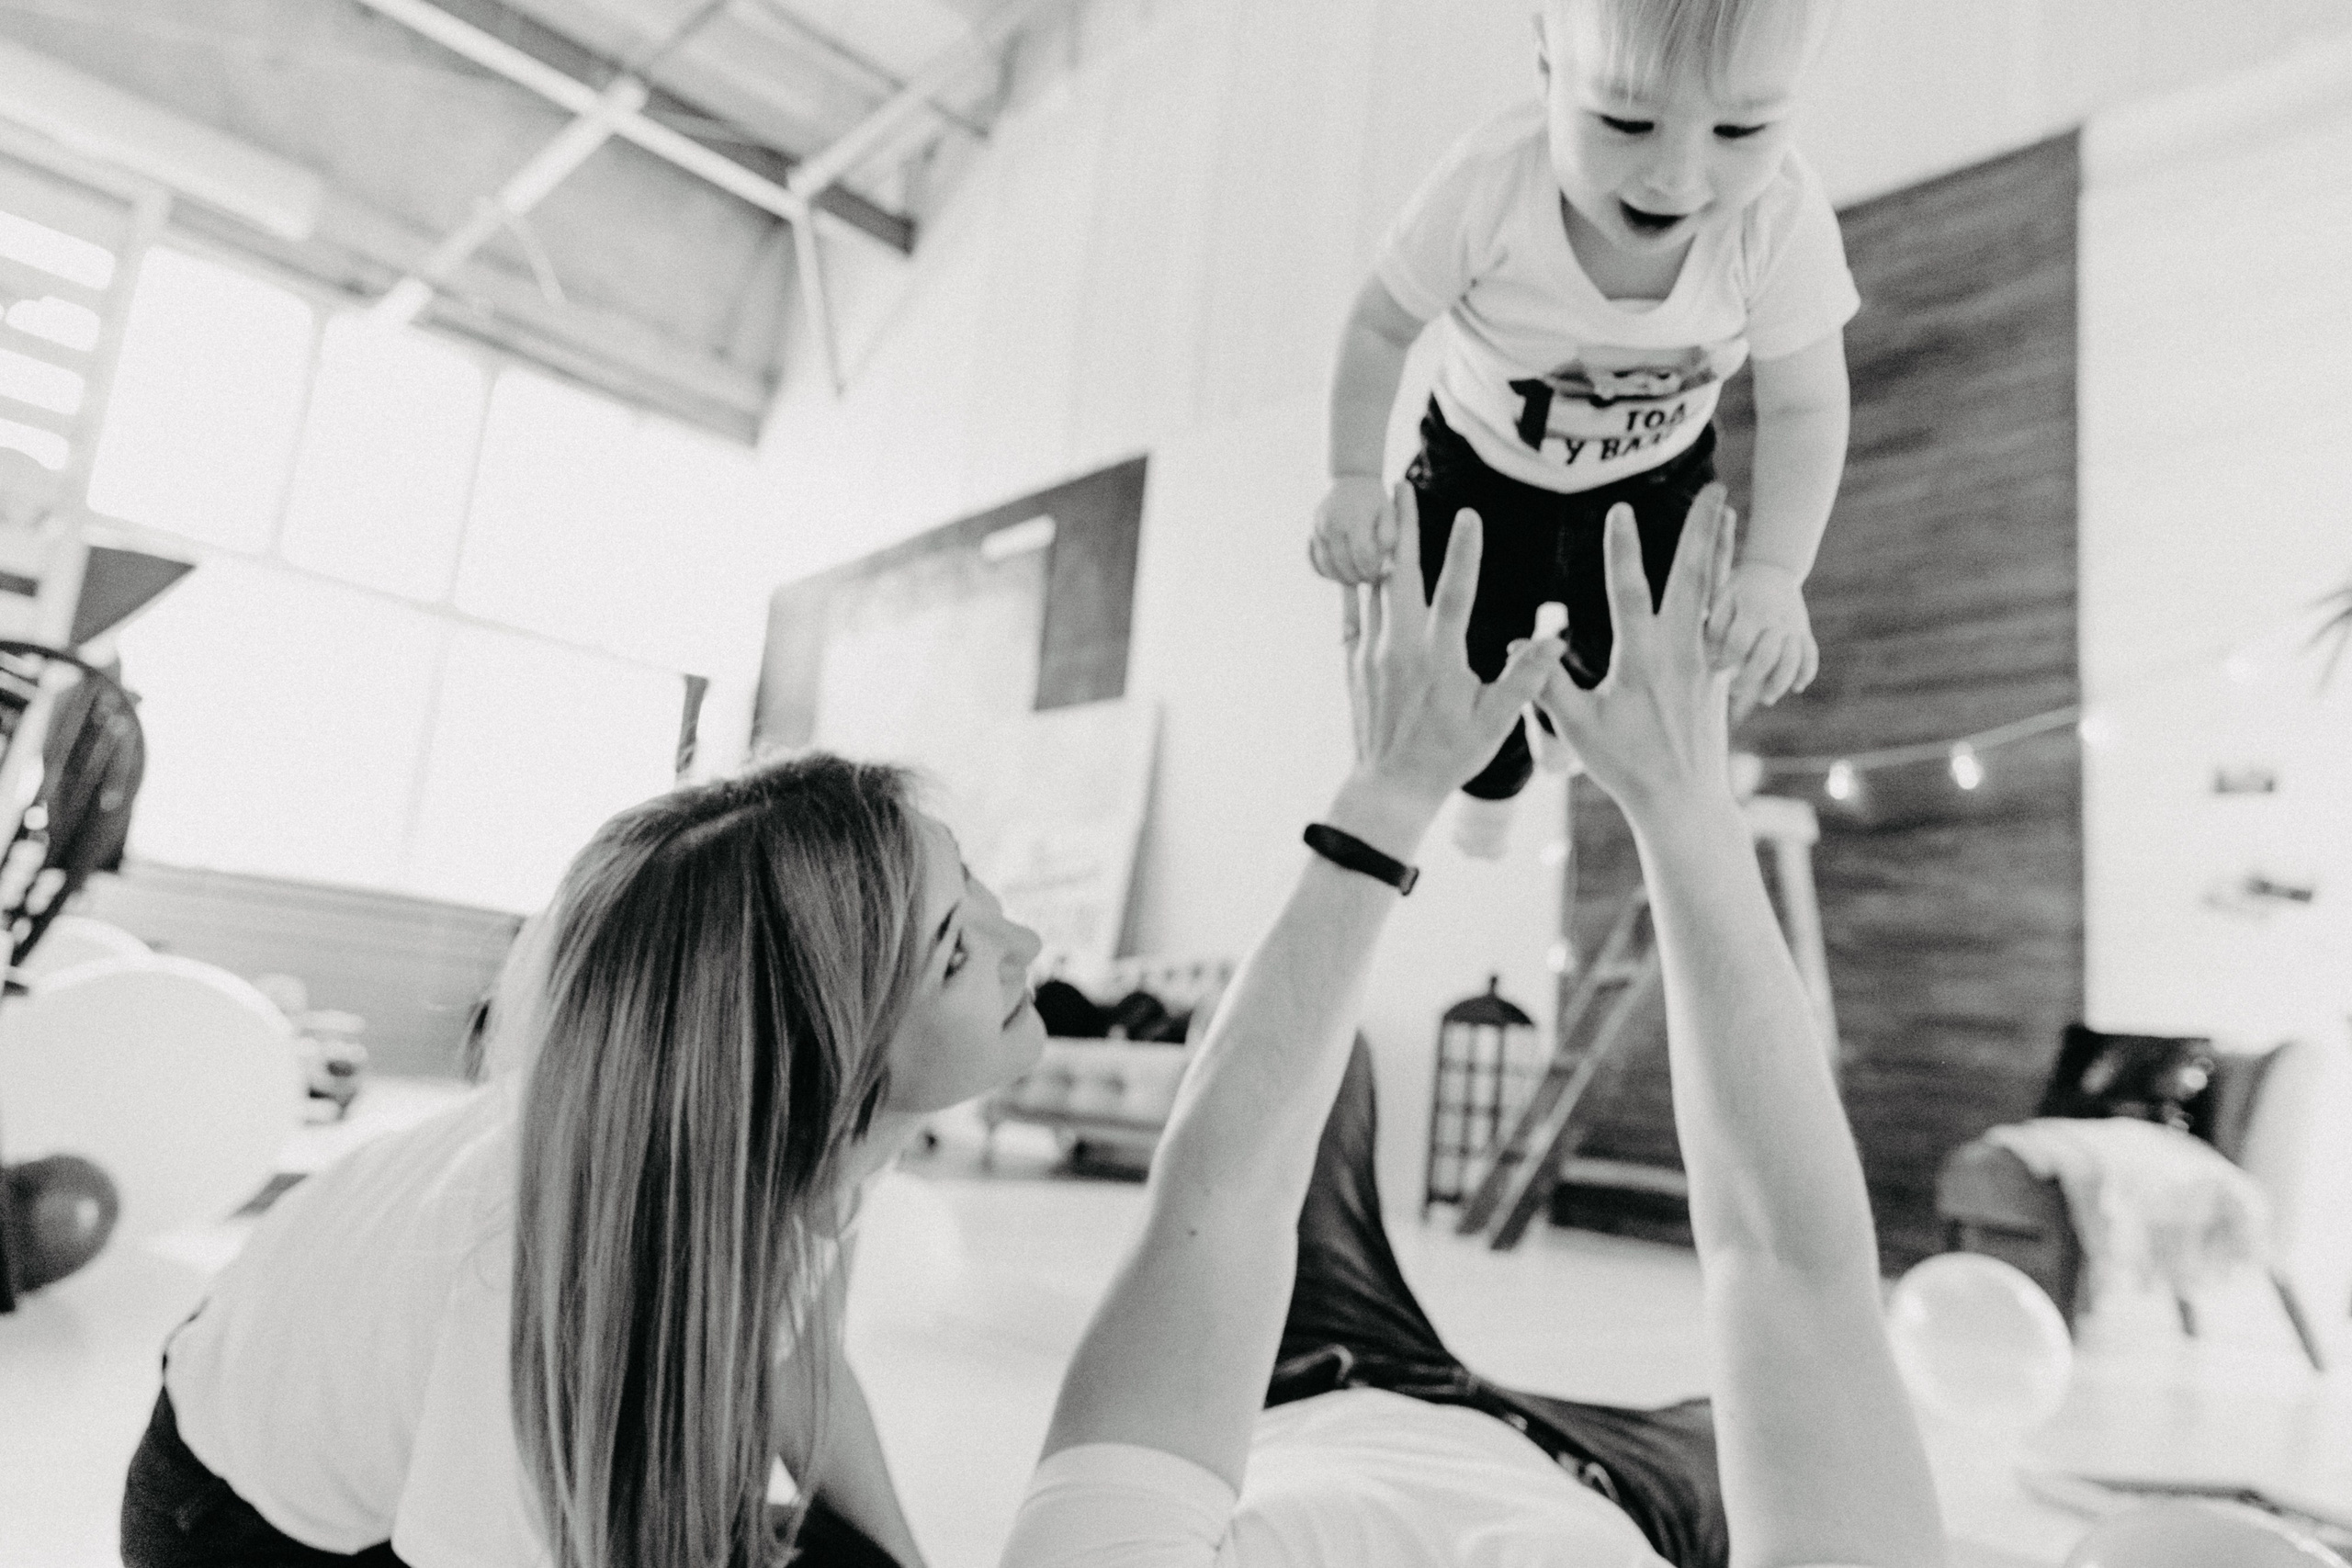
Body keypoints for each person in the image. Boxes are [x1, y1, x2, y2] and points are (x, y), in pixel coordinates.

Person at [1004, 482, 1947, 1566]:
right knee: (1763, 1431)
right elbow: (1790, 1271)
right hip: (1613, 1482)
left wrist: (1391, 792)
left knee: (1306, 1083)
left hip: (1304, 1374)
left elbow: (1221, 1197)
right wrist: (1683, 804)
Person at [120, 753, 1051, 1568]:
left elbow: (796, 1350)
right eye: (955, 956)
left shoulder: (797, 1129)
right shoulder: (562, 1270)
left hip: (294, 1371)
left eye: (972, 889)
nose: (1025, 946)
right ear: (816, 1050)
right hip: (228, 1523)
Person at [1311, 0, 1857, 858]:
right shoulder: (1491, 184)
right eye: (1624, 120)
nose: (1675, 176)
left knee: (1649, 667)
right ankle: (1494, 782)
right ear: (1546, 65)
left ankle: (1570, 735)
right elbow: (1380, 325)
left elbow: (1808, 406)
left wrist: (1777, 572)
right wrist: (1349, 476)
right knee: (1463, 661)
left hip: (1654, 474)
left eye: (1742, 129)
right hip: (1480, 463)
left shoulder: (1778, 218)